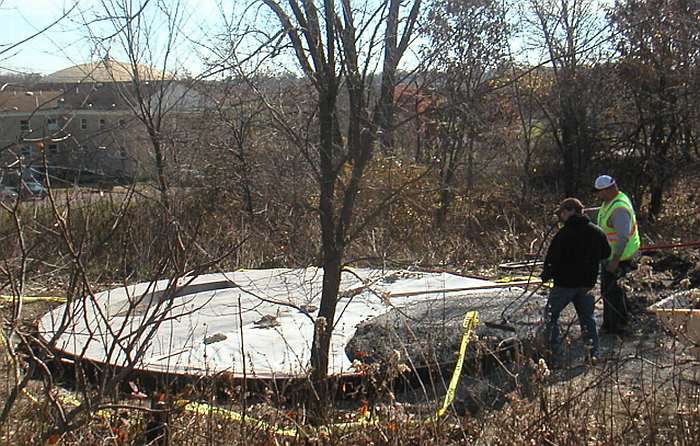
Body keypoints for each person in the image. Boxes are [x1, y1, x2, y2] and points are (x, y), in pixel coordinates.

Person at [541, 198, 611, 363]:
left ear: (570, 211)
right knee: (588, 319)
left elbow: (552, 259)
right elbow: (606, 253)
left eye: (563, 213)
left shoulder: (563, 234)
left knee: (550, 316)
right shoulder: (597, 232)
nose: (561, 216)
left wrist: (546, 275)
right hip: (587, 284)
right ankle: (593, 354)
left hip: (564, 285)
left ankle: (554, 356)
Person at [593, 175, 641, 335]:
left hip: (620, 258)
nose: (597, 195)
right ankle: (610, 325)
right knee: (608, 291)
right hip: (610, 256)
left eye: (599, 192)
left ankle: (619, 326)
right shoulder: (610, 203)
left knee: (614, 292)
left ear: (607, 190)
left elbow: (622, 237)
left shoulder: (619, 209)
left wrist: (614, 260)